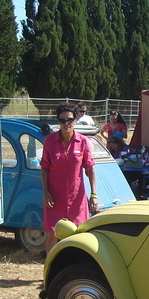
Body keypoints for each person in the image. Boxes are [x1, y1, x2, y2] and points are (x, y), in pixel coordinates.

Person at [40, 104, 98, 254]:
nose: (66, 123)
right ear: (58, 122)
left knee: (78, 235)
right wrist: (45, 192)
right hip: (54, 198)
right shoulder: (49, 141)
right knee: (52, 234)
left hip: (76, 198)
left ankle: (74, 270)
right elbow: (44, 167)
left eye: (70, 120)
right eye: (62, 120)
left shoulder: (83, 141)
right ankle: (50, 271)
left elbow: (90, 168)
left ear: (75, 120)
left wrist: (94, 194)